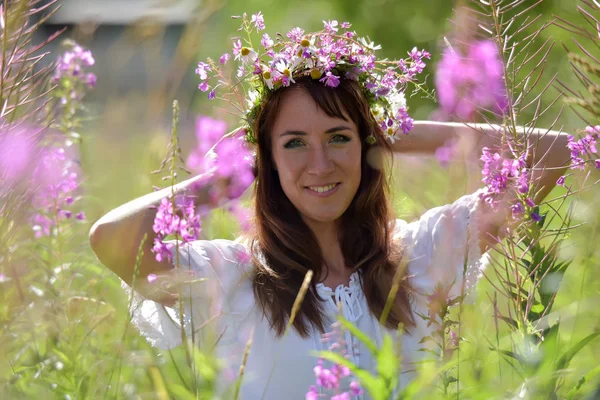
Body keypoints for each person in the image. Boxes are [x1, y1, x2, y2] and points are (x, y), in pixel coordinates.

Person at [88, 16, 570, 400]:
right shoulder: (227, 276)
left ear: (366, 146)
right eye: (294, 143)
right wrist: (222, 179)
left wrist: (396, 131)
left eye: (338, 137)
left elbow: (558, 155)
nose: (320, 164)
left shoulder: (419, 256)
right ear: (267, 161)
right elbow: (111, 238)